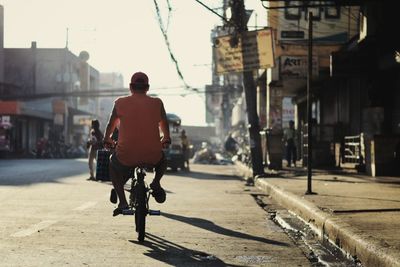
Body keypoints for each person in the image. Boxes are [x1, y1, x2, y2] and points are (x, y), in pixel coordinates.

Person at [103, 71, 171, 216]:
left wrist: (107, 139)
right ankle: (156, 182)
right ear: (147, 87)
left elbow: (111, 124)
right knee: (162, 160)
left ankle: (122, 201)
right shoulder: (157, 103)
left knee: (112, 164)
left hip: (126, 155)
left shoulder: (120, 103)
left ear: (130, 87)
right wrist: (166, 138)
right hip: (152, 154)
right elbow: (164, 123)